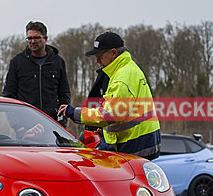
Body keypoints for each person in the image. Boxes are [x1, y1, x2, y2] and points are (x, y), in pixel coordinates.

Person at [58, 32, 161, 160]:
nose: (97, 61)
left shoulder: (121, 78)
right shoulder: (128, 69)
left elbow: (109, 115)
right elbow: (124, 111)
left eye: (100, 56)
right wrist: (107, 130)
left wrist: (74, 112)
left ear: (113, 53)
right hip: (142, 139)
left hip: (135, 143)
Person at [3, 21, 71, 121]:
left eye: (37, 38)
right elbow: (9, 96)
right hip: (25, 124)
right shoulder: (17, 62)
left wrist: (62, 121)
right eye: (29, 38)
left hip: (52, 123)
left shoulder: (58, 62)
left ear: (45, 39)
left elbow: (64, 94)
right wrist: (16, 125)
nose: (33, 41)